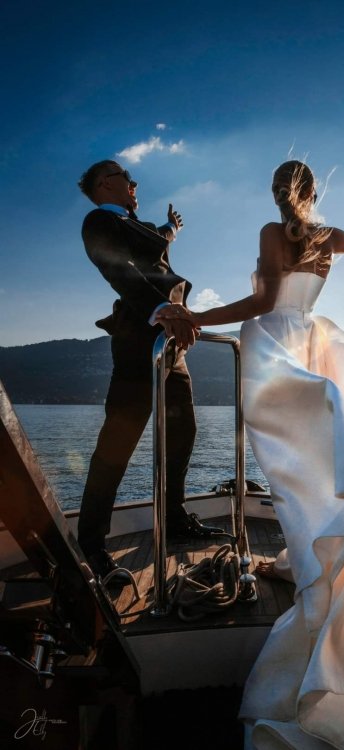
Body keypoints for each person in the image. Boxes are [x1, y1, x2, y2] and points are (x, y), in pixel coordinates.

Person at [154, 160, 344, 749]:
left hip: (275, 348)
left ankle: (314, 570)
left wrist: (194, 316)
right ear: (313, 191)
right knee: (310, 470)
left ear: (277, 193)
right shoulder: (327, 237)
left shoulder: (274, 232)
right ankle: (313, 560)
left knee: (293, 473)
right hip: (309, 344)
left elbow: (264, 299)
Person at [76, 160, 222, 583]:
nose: (134, 183)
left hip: (172, 347)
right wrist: (161, 308)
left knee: (184, 431)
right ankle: (90, 545)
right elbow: (118, 267)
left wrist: (172, 228)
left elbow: (157, 240)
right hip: (140, 344)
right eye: (128, 177)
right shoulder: (99, 222)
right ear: (106, 183)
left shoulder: (136, 226)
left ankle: (173, 518)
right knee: (116, 446)